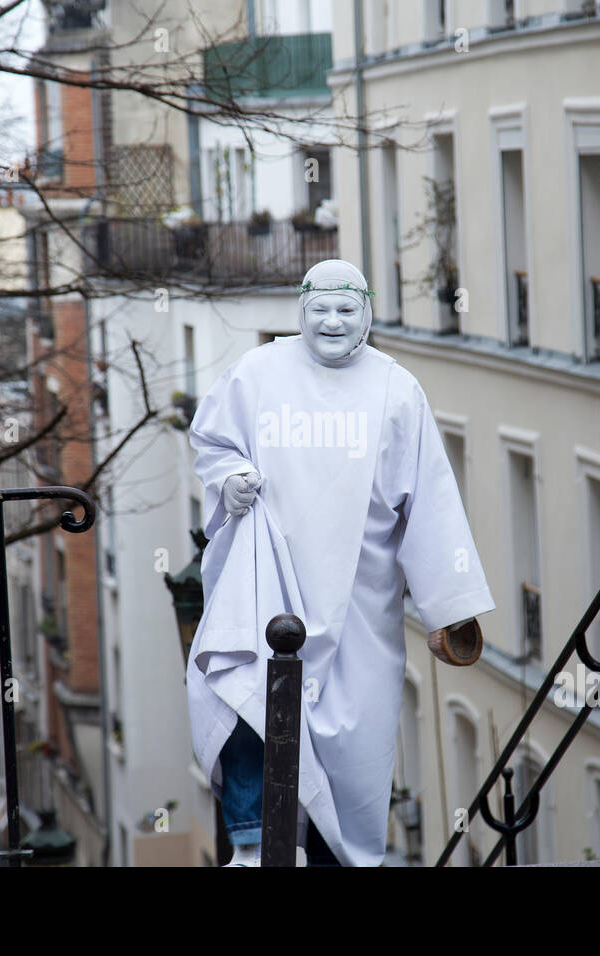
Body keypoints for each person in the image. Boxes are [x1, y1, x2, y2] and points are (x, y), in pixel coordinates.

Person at [187, 258, 494, 867]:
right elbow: (212, 442)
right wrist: (230, 482)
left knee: (354, 746)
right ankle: (254, 842)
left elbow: (430, 501)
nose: (332, 322)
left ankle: (333, 859)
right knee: (251, 698)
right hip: (267, 584)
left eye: (346, 310)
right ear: (301, 311)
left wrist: (449, 608)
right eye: (320, 309)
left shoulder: (396, 388)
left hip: (360, 602)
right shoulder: (257, 371)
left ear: (368, 315)